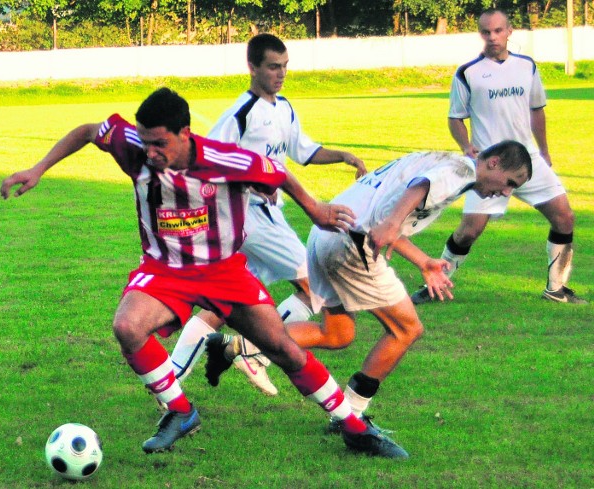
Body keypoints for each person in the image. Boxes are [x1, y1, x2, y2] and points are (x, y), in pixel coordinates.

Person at [0, 87, 404, 458]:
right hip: (164, 270)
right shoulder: (134, 149)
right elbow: (90, 130)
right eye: (145, 142)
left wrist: (315, 208)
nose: (150, 152)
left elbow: (276, 172)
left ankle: (354, 427)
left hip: (223, 271)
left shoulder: (225, 160)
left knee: (283, 350)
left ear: (185, 134)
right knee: (127, 326)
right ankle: (181, 411)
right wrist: (38, 169)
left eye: (159, 143)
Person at [219, 141, 529, 441]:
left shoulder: (443, 161)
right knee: (406, 329)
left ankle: (246, 345)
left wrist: (422, 260)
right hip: (352, 244)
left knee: (337, 334)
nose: (506, 192)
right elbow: (419, 187)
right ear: (493, 162)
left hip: (325, 236)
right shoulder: (461, 171)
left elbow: (385, 213)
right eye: (509, 182)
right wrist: (394, 224)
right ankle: (352, 413)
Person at [169, 33, 367, 396]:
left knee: (225, 301)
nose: (281, 74)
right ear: (252, 67)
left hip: (262, 217)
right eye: (273, 67)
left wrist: (345, 156)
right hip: (248, 217)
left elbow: (305, 151)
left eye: (285, 66)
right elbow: (205, 160)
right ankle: (254, 353)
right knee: (314, 287)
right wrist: (249, 184)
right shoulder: (240, 116)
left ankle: (170, 378)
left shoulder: (285, 108)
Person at [410, 8, 587, 305]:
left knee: (564, 217)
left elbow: (537, 110)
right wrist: (467, 146)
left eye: (498, 30)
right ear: (480, 34)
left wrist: (543, 151)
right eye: (486, 32)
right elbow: (455, 117)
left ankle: (556, 289)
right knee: (469, 232)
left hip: (528, 160)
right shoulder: (468, 72)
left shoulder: (527, 67)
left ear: (509, 31)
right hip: (492, 168)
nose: (492, 37)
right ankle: (435, 286)